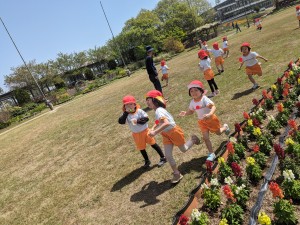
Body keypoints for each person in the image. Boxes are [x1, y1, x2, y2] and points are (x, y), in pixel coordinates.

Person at [145, 90, 200, 183]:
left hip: (174, 132)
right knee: (168, 155)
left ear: (155, 100)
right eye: (146, 101)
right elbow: (159, 122)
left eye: (148, 100)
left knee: (183, 149)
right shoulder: (157, 111)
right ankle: (176, 173)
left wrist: (155, 132)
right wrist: (153, 127)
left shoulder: (159, 111)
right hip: (166, 134)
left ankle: (193, 139)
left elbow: (166, 123)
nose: (147, 102)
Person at [179, 80, 230, 161]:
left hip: (211, 120)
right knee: (206, 138)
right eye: (191, 91)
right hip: (202, 122)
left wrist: (210, 114)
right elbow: (191, 111)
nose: (193, 92)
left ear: (201, 91)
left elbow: (213, 107)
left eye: (196, 90)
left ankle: (225, 127)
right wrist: (185, 113)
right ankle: (211, 153)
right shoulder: (192, 102)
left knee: (218, 133)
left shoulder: (204, 99)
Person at [118, 95, 167, 168]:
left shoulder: (139, 111)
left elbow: (146, 119)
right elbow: (121, 122)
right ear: (124, 106)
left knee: (153, 144)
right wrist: (126, 113)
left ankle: (163, 157)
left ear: (135, 105)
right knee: (141, 148)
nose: (129, 106)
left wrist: (137, 121)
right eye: (127, 105)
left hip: (145, 131)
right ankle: (147, 161)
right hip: (136, 134)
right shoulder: (125, 114)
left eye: (131, 104)